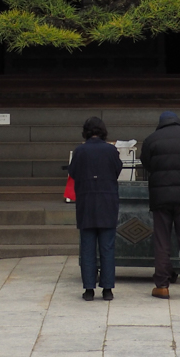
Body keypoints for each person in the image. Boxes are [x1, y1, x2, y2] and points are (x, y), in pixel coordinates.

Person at [139, 109, 180, 299]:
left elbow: (147, 163)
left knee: (162, 241)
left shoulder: (152, 139)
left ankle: (162, 286)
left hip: (161, 196)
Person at [68, 116, 123, 301]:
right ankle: (107, 289)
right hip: (107, 202)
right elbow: (117, 170)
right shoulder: (111, 150)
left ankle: (89, 289)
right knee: (107, 247)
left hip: (86, 202)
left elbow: (73, 172)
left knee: (87, 247)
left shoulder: (80, 151)